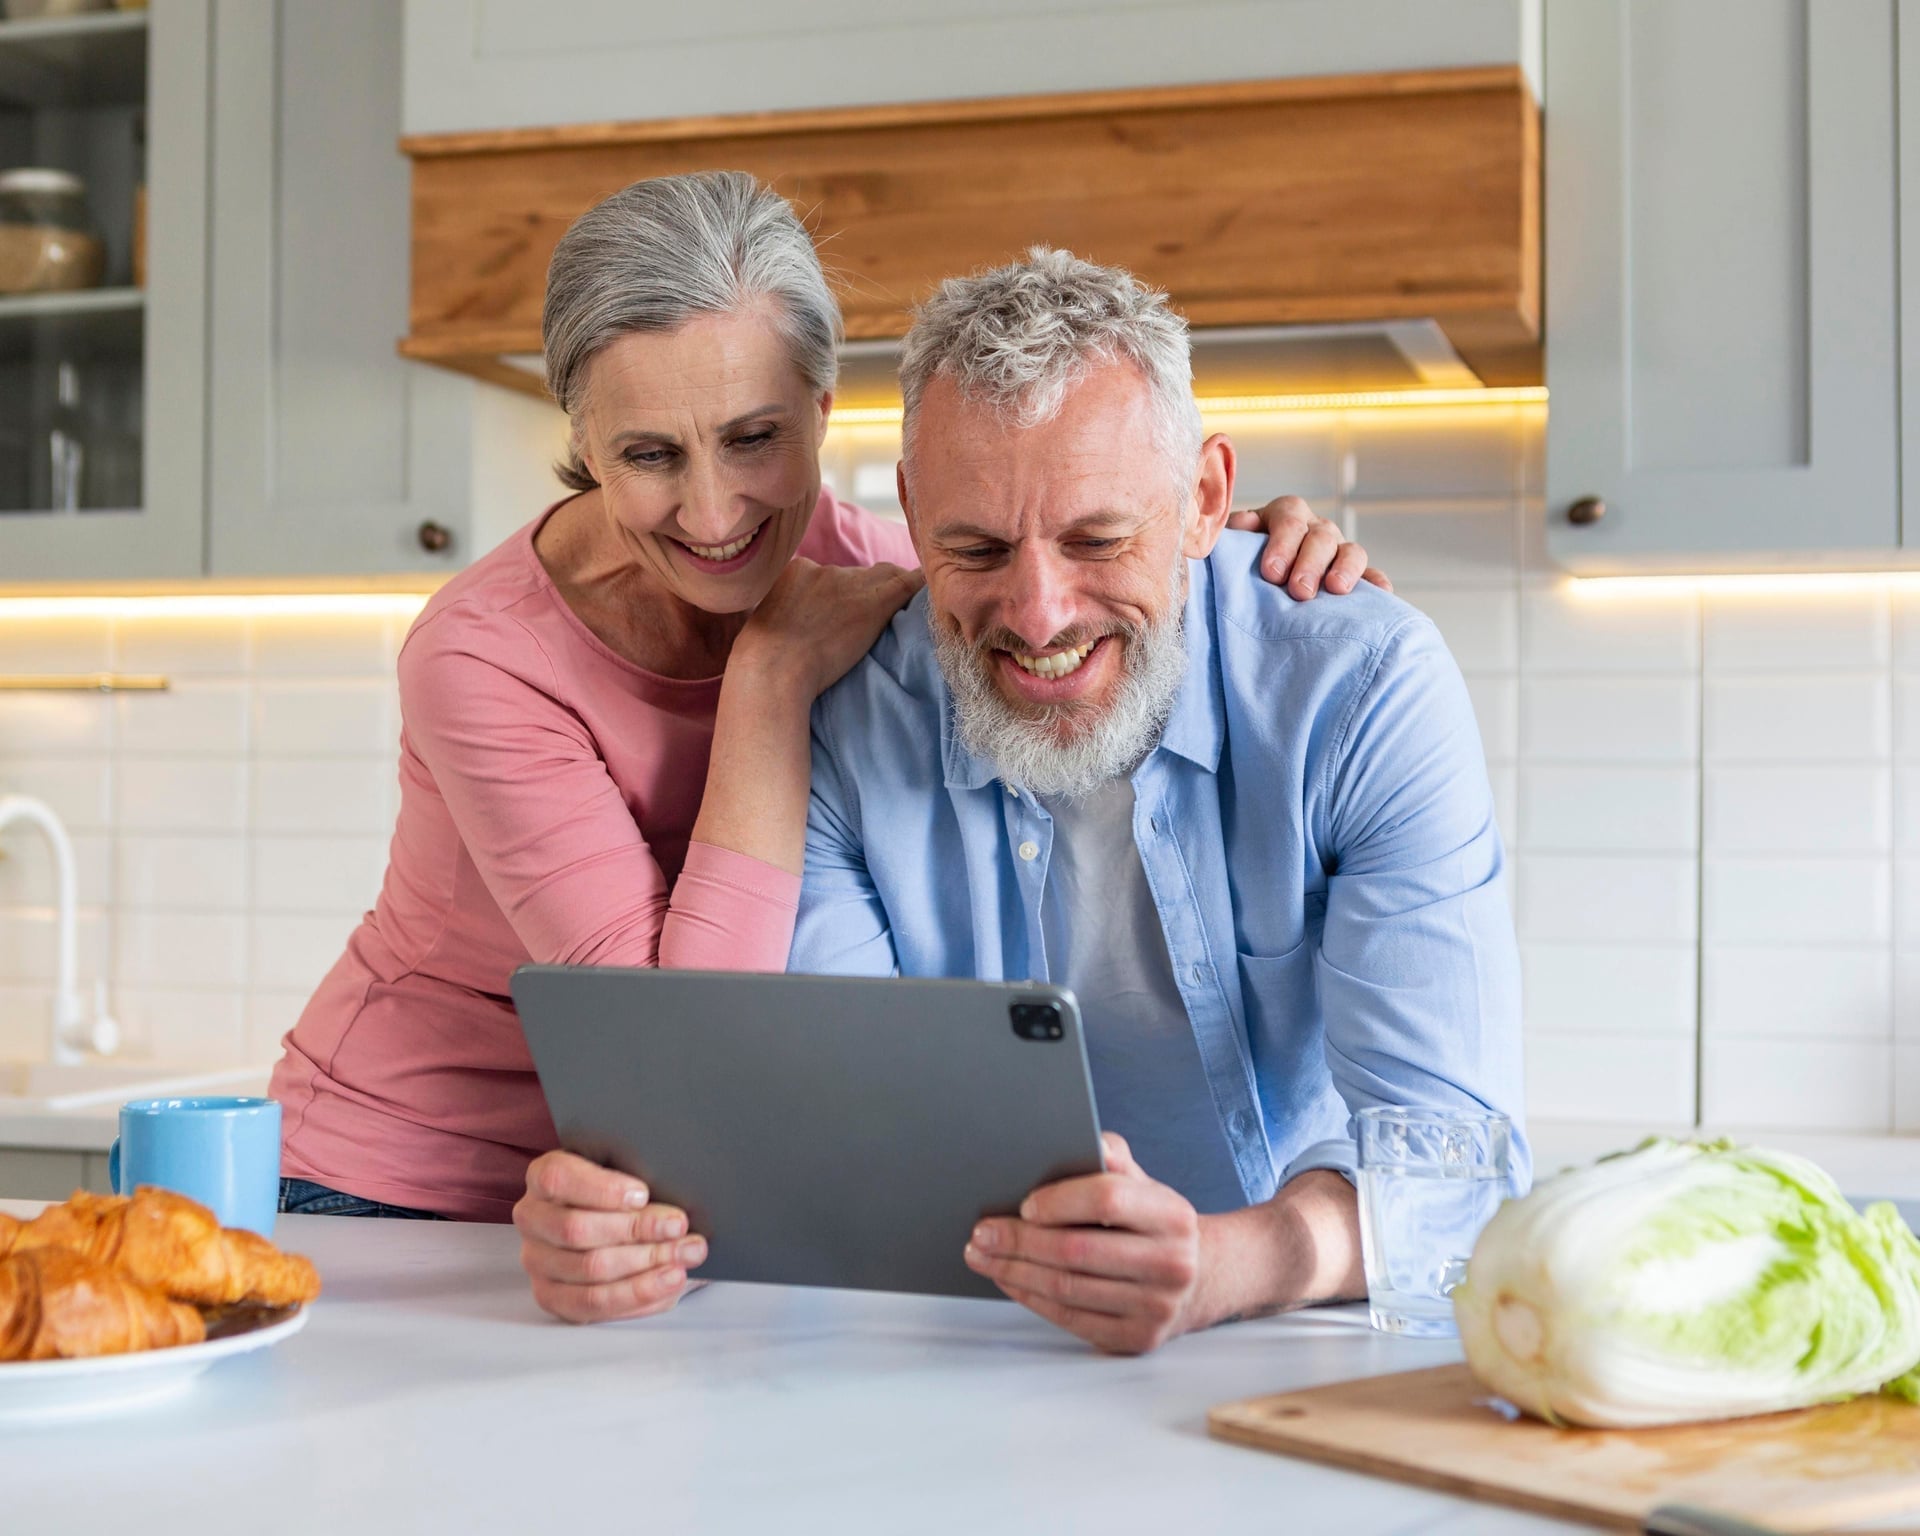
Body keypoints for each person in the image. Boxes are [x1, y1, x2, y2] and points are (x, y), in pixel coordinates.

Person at [268, 173, 1382, 1225]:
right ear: (582, 447)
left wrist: (1209, 544)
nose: (713, 514)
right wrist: (767, 677)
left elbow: (1048, 584)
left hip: (683, 1195)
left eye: (754, 438)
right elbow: (679, 1057)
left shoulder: (879, 576)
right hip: (400, 1180)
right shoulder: (481, 658)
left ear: (821, 404)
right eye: (650, 454)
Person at [516, 248, 1525, 1351]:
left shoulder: (1358, 685)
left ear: (1204, 499)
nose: (1038, 615)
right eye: (976, 548)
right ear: (908, 513)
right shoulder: (847, 712)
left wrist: (1231, 1263)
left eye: (1099, 539)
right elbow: (829, 1144)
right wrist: (638, 1228)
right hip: (960, 1342)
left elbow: (1457, 1168)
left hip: (1298, 1330)